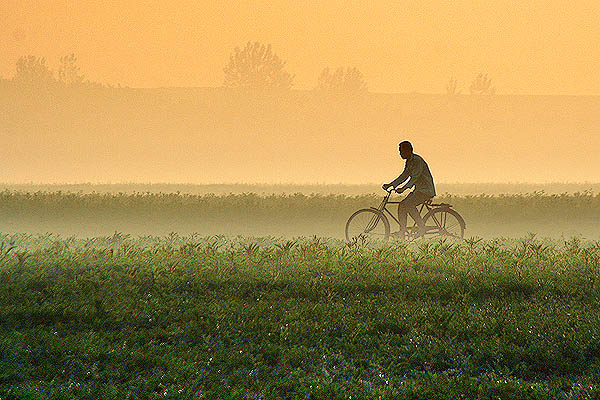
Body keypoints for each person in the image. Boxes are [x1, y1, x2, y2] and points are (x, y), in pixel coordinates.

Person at [382, 141, 436, 236]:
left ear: (407, 150)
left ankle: (421, 227)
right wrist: (391, 185)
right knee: (402, 205)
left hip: (425, 191)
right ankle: (402, 230)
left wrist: (403, 188)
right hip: (419, 190)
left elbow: (415, 177)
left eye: (401, 151)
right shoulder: (409, 161)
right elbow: (404, 176)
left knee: (408, 204)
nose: (400, 154)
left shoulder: (417, 160)